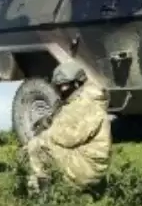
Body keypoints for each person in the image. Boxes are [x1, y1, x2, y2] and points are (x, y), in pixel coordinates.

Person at [23, 59, 112, 193]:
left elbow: (67, 138)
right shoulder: (90, 99)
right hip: (94, 165)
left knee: (35, 146)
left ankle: (42, 195)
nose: (60, 90)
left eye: (63, 86)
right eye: (59, 86)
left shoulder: (82, 104)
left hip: (85, 168)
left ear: (76, 83)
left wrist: (47, 131)